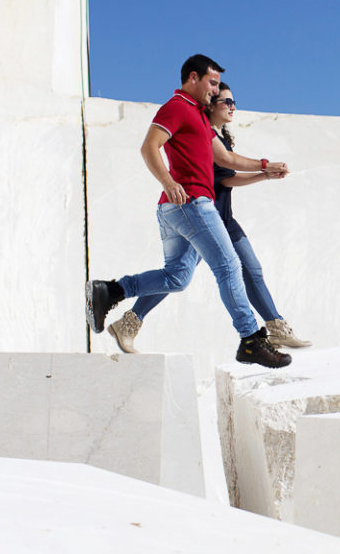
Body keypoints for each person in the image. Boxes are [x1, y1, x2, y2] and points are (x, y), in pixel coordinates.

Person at [85, 54, 292, 368]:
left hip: (177, 209)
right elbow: (149, 146)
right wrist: (168, 181)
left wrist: (265, 167)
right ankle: (250, 339)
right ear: (192, 78)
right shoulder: (177, 107)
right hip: (191, 203)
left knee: (177, 277)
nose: (215, 90)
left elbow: (224, 159)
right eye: (212, 83)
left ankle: (111, 290)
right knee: (228, 267)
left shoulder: (198, 116)